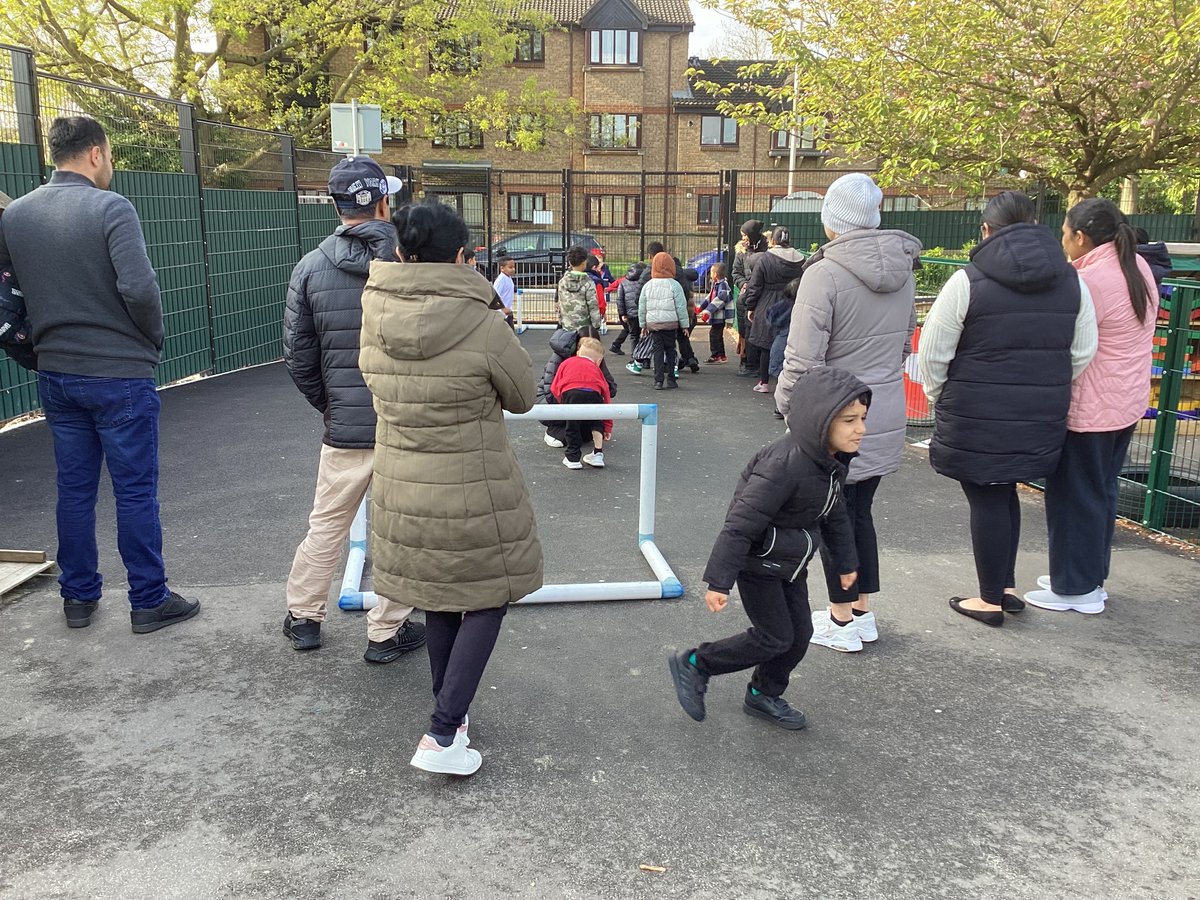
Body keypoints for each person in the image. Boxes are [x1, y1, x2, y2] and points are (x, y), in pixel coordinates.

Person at [359, 201, 543, 776]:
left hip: (400, 483)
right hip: (472, 486)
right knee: (487, 596)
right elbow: (524, 395)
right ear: (462, 256)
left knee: (437, 596)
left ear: (400, 253)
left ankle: (451, 716)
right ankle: (440, 734)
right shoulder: (482, 320)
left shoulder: (372, 312)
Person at [0, 116, 197, 633]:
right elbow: (139, 289)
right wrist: (150, 340)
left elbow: (14, 292)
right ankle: (149, 600)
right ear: (94, 153)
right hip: (119, 375)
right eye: (109, 156)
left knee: (74, 489)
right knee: (134, 491)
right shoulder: (112, 208)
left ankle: (79, 599)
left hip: (57, 371)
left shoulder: (17, 215)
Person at [919, 191, 1097, 627]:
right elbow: (1083, 350)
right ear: (1036, 223)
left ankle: (988, 600)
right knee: (1005, 489)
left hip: (975, 410)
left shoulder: (968, 279)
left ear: (986, 229)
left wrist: (939, 395)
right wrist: (1045, 385)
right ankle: (1006, 587)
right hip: (1041, 410)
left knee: (987, 495)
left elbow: (933, 351)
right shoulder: (1073, 280)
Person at [280, 155, 426, 661]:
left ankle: (303, 619)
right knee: (400, 531)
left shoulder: (311, 266)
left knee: (326, 524)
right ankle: (386, 632)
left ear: (338, 204)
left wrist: (333, 404)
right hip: (404, 426)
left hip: (344, 429)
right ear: (383, 202)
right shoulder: (412, 263)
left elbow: (298, 356)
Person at [667, 367, 867, 729]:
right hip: (758, 564)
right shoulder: (783, 465)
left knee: (799, 636)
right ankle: (696, 663)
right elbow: (741, 523)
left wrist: (846, 563)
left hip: (791, 563)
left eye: (863, 419)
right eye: (850, 420)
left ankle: (763, 694)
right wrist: (718, 581)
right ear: (819, 420)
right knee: (774, 636)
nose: (860, 429)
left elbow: (835, 516)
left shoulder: (830, 465)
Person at [775, 173, 921, 650]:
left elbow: (801, 357)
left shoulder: (824, 274)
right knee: (860, 514)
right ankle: (861, 612)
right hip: (881, 409)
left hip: (835, 417)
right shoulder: (905, 270)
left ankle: (840, 619)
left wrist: (788, 407)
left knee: (832, 517)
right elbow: (902, 345)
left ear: (831, 221)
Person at [1025, 198, 1157, 614]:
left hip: (1091, 406)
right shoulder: (1138, 267)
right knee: (1100, 491)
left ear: (1080, 237)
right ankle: (1088, 576)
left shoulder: (1092, 280)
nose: (1063, 240)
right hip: (1126, 401)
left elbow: (1071, 342)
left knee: (1074, 496)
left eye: (1065, 232)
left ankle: (1075, 588)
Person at [744, 226, 806, 395]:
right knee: (789, 343)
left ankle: (764, 382)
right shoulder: (801, 260)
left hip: (767, 302)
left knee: (766, 344)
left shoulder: (765, 259)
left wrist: (751, 306)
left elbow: (755, 285)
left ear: (773, 240)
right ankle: (785, 381)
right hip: (792, 303)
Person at [536, 325, 617, 448]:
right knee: (570, 432)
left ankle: (578, 429)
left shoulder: (594, 358)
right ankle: (555, 430)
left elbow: (610, 389)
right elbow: (550, 389)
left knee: (584, 433)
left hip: (575, 399)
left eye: (593, 344)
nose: (590, 347)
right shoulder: (561, 357)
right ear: (577, 345)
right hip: (551, 400)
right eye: (585, 344)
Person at [550, 336, 612, 469]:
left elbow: (554, 387)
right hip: (594, 393)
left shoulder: (566, 362)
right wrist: (608, 425)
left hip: (570, 393)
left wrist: (562, 403)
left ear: (578, 353)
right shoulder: (597, 369)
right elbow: (606, 394)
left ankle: (573, 458)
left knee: (572, 425)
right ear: (598, 361)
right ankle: (598, 454)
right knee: (596, 422)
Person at [638, 241, 701, 373]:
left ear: (650, 256)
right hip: (674, 315)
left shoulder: (648, 275)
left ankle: (653, 370)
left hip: (654, 317)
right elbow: (684, 293)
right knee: (676, 341)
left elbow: (640, 298)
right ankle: (683, 363)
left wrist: (643, 322)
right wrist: (683, 321)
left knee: (657, 345)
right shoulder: (676, 272)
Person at [638, 252, 690, 390]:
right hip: (670, 324)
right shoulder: (675, 285)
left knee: (657, 351)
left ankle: (658, 380)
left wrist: (643, 324)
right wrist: (684, 325)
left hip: (654, 324)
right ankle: (671, 378)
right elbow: (681, 306)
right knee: (671, 350)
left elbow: (642, 306)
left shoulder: (648, 285)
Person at [732, 220, 768, 376]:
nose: (743, 239)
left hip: (762, 294)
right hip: (746, 294)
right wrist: (743, 284)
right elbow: (736, 273)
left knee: (759, 328)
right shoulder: (741, 252)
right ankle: (746, 361)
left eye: (745, 235)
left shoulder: (767, 250)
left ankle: (759, 363)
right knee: (746, 329)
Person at [557, 245, 602, 332]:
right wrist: (596, 325)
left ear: (569, 263)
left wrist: (560, 320)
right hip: (585, 329)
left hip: (567, 326)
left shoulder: (562, 281)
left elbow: (560, 304)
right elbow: (593, 307)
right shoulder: (588, 283)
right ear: (584, 262)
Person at [609, 262, 645, 355]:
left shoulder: (623, 282)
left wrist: (622, 314)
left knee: (632, 333)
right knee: (643, 335)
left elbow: (619, 299)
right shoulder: (643, 283)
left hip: (629, 313)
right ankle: (643, 358)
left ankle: (633, 355)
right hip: (641, 312)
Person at [700, 262, 731, 363]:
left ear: (716, 274)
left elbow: (718, 300)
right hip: (716, 316)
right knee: (716, 335)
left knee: (715, 335)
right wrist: (701, 307)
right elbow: (709, 297)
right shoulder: (717, 285)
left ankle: (717, 355)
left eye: (711, 273)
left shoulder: (723, 286)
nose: (710, 275)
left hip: (719, 316)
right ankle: (719, 355)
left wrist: (707, 311)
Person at [493, 255, 517, 327]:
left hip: (507, 312)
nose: (513, 269)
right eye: (510, 267)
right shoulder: (501, 280)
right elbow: (495, 295)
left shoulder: (508, 277)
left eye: (513, 267)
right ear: (502, 268)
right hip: (501, 314)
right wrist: (503, 308)